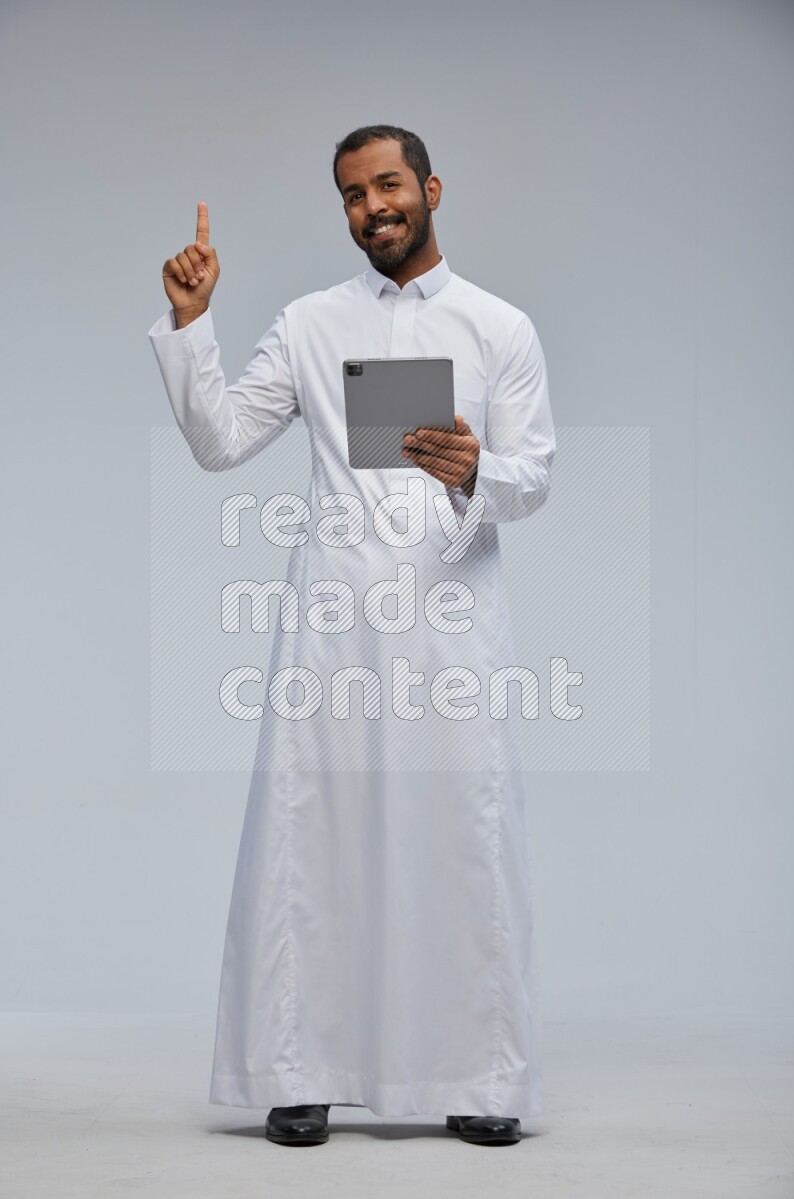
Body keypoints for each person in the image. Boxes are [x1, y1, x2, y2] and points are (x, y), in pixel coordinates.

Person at [148, 124, 556, 1147]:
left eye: (386, 185)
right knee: (316, 839)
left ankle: (478, 1076)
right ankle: (301, 1069)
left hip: (450, 619)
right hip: (331, 624)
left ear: (428, 187)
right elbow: (220, 440)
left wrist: (472, 467)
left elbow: (534, 473)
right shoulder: (309, 324)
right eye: (351, 194)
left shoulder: (497, 326)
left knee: (461, 838)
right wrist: (190, 325)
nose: (371, 206)